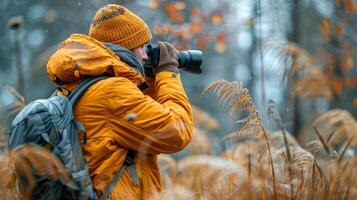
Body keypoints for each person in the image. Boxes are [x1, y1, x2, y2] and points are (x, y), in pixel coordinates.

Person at [46, 4, 193, 200]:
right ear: (124, 49)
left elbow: (141, 125)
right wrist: (168, 74)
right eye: (140, 46)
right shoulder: (111, 93)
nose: (144, 55)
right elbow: (176, 131)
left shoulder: (79, 86)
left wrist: (148, 80)